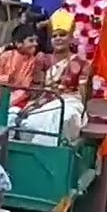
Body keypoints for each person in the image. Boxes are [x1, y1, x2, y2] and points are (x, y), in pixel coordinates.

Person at [16, 8, 90, 144]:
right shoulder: (43, 59)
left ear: (71, 37)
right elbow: (37, 88)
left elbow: (83, 94)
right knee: (30, 123)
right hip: (46, 103)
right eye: (54, 36)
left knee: (63, 118)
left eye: (62, 35)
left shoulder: (81, 63)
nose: (58, 39)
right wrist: (34, 104)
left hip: (71, 103)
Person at [0, 23, 45, 112]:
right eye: (31, 41)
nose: (35, 44)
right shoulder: (6, 56)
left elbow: (26, 89)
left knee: (12, 114)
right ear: (18, 43)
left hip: (19, 102)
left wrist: (9, 101)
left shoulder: (34, 61)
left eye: (36, 41)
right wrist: (7, 79)